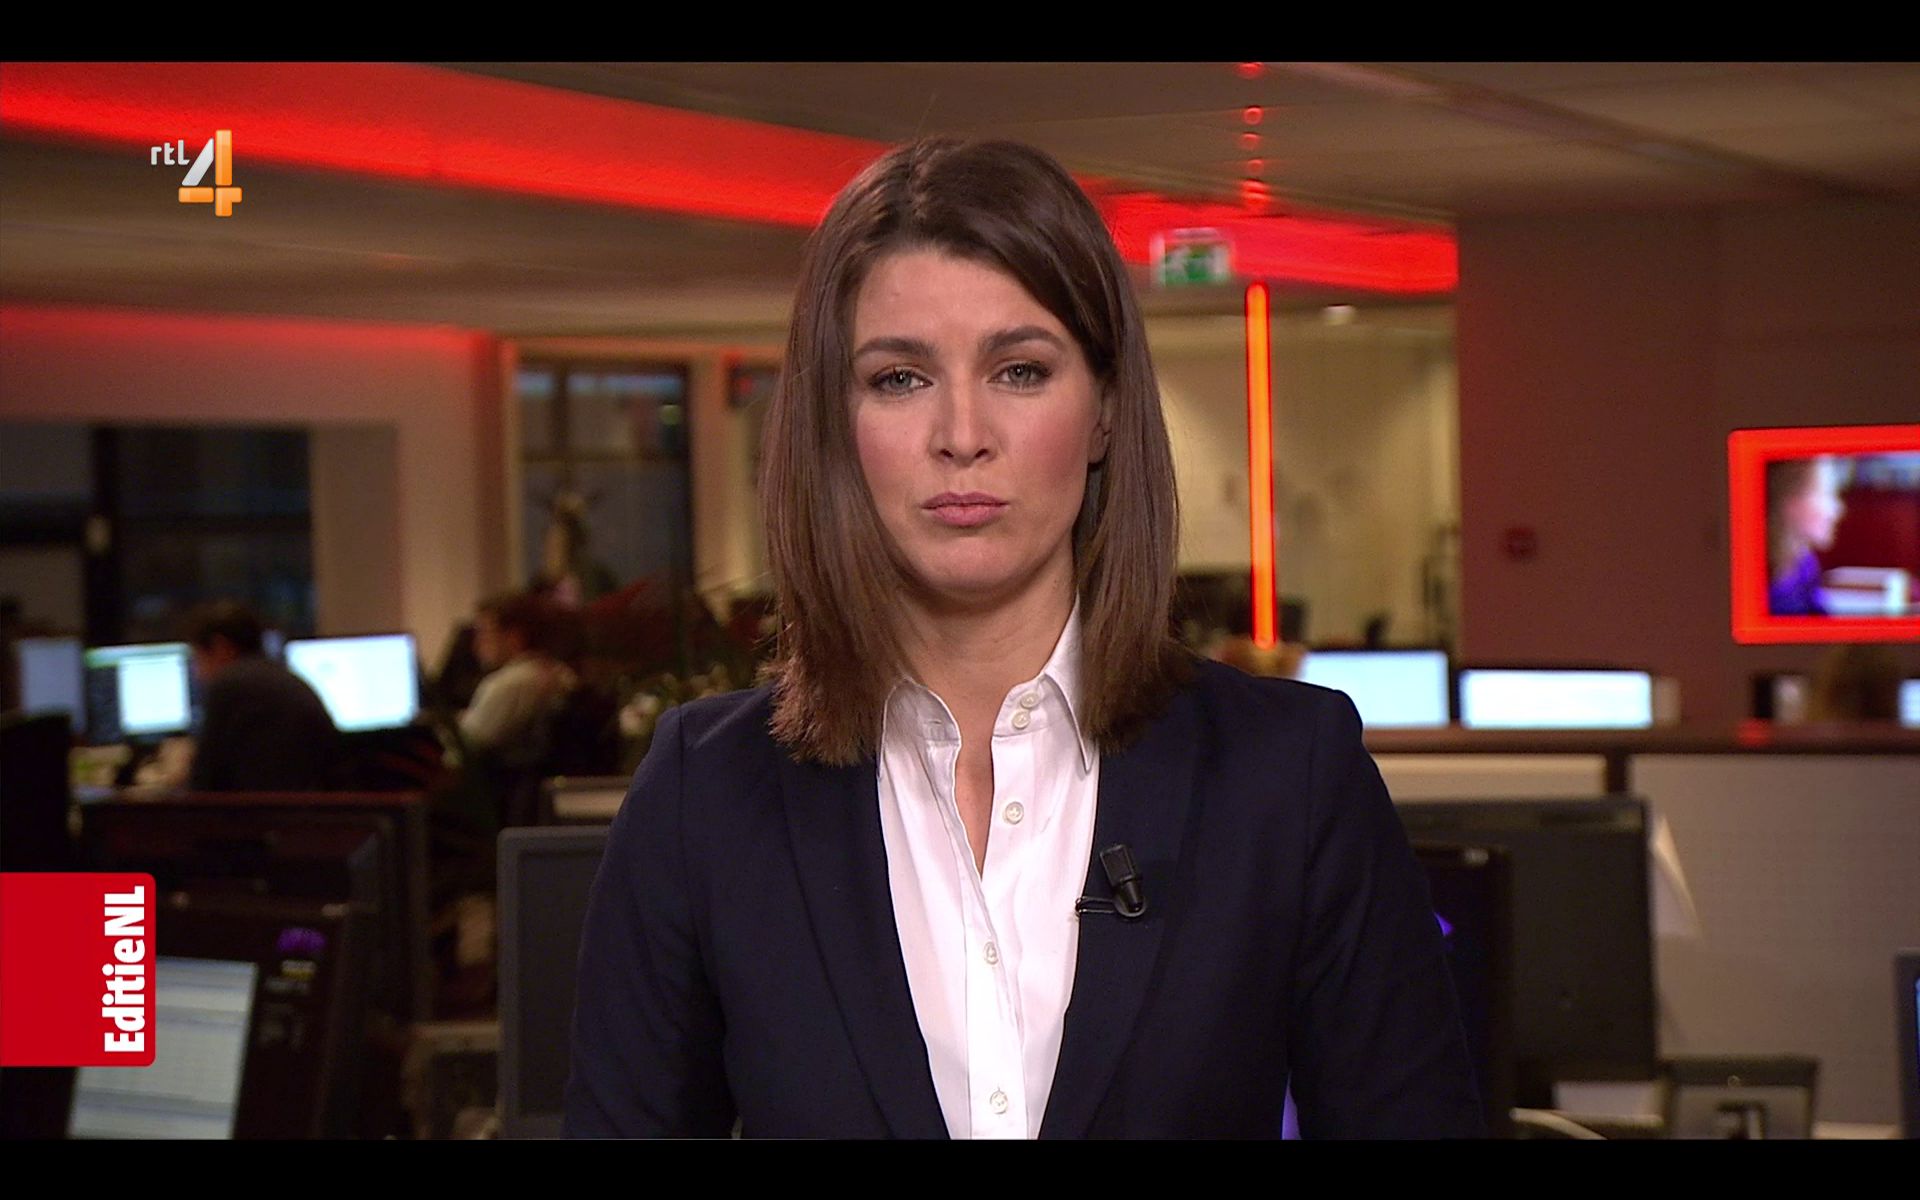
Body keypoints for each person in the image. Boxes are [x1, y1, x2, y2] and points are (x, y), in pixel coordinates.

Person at [564, 138, 1482, 1139]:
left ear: (1104, 414)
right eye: (900, 378)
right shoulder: (706, 794)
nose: (963, 434)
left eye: (1020, 370)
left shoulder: (1286, 774)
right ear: (835, 423)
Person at [185, 601, 342, 792]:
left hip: (271, 807)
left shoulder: (231, 685)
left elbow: (205, 782)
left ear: (221, 647)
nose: (198, 674)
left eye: (197, 658)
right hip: (310, 802)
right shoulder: (281, 677)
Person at [456, 590, 576, 767]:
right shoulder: (563, 673)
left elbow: (463, 749)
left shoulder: (506, 684)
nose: (476, 644)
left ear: (514, 638)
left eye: (483, 633)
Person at [1766, 455, 1846, 616]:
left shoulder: (1805, 563)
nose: (1838, 510)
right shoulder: (1753, 577)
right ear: (1789, 501)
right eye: (1826, 494)